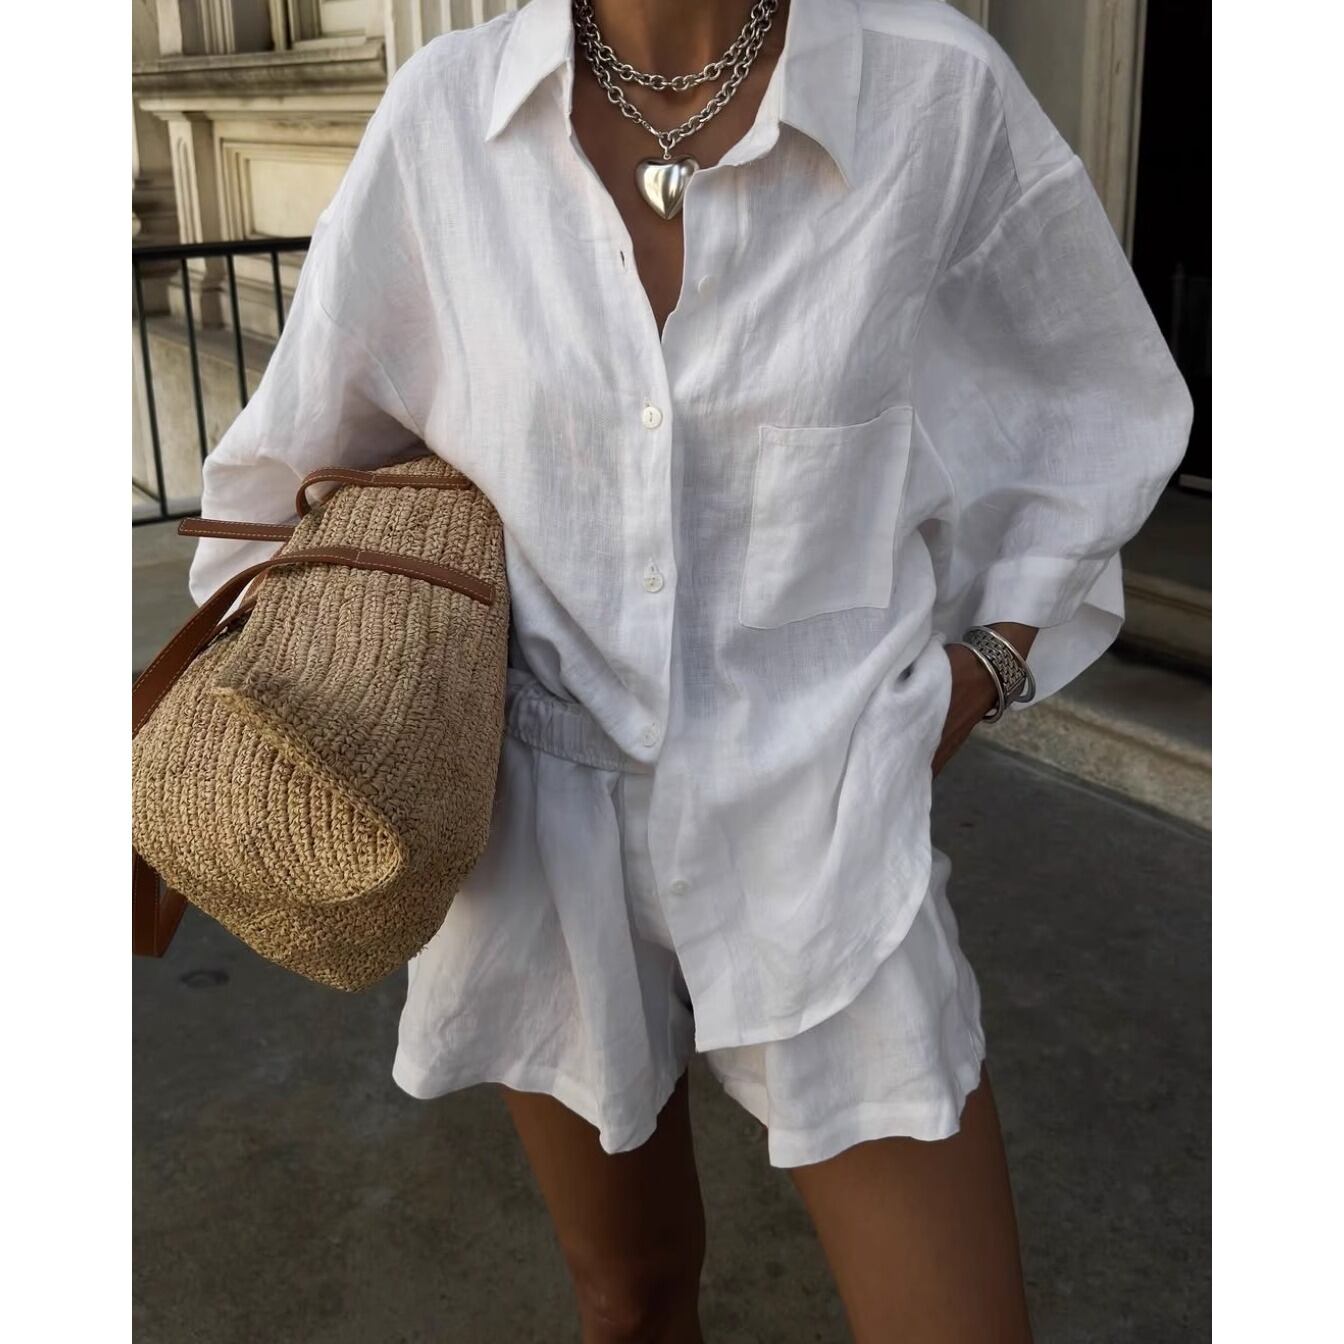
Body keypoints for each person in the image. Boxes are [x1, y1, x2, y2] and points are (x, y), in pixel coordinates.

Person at [187, 0, 1194, 1338]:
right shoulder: (448, 119)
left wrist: (993, 662)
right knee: (631, 1300)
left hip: (826, 826)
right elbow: (294, 453)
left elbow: (1101, 397)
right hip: (535, 827)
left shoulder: (932, 93)